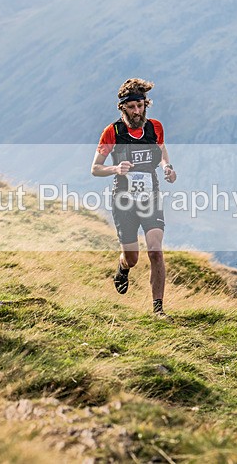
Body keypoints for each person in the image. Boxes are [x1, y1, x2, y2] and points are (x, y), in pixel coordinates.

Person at [91, 78, 177, 317]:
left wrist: (168, 167)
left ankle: (158, 309)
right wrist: (115, 169)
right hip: (124, 202)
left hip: (151, 198)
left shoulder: (155, 127)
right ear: (122, 108)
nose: (137, 111)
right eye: (132, 107)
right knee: (133, 257)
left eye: (140, 106)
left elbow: (161, 151)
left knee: (155, 251)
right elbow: (95, 168)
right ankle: (122, 267)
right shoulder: (112, 132)